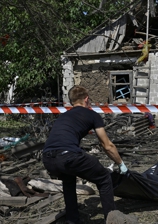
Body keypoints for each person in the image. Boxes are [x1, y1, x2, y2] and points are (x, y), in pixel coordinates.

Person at [42, 85, 128, 224]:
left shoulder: (63, 116)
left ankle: (72, 220)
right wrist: (121, 164)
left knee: (68, 180)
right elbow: (107, 145)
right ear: (86, 99)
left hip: (48, 158)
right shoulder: (92, 114)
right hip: (69, 155)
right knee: (104, 178)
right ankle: (112, 219)